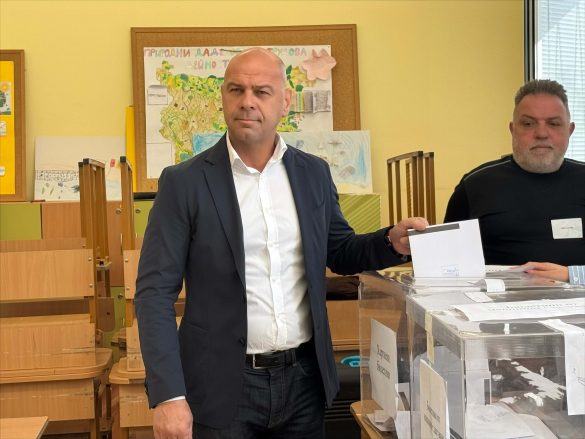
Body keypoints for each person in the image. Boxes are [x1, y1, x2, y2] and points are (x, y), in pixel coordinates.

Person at [134, 47, 428, 439]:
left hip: (303, 383)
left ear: (285, 102)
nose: (247, 101)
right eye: (236, 90)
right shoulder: (184, 183)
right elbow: (154, 293)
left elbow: (339, 251)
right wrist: (169, 395)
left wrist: (390, 241)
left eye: (261, 91)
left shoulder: (313, 173)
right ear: (223, 97)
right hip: (220, 386)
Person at [444, 79, 585, 285]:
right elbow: (446, 264)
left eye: (554, 123)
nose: (541, 133)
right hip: (495, 302)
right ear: (512, 129)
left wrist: (573, 276)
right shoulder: (475, 185)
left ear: (570, 130)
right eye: (528, 123)